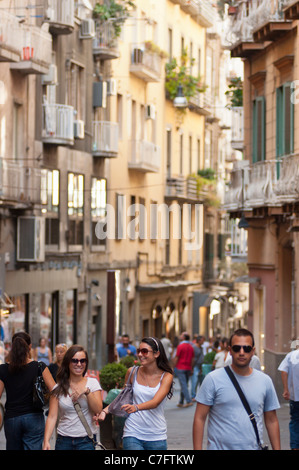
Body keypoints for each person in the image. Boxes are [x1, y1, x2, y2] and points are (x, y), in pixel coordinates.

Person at [193, 328, 281, 450]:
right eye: (236, 348)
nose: (241, 352)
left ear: (253, 351)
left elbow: (271, 420)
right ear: (230, 350)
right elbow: (199, 418)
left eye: (246, 348)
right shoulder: (212, 379)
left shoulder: (265, 381)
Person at [98, 337, 174, 450]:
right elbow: (122, 397)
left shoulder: (166, 376)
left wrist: (136, 407)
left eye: (144, 351)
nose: (140, 354)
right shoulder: (132, 372)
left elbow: (156, 402)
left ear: (156, 354)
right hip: (133, 431)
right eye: (138, 351)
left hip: (156, 434)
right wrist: (105, 410)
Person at [0, 331, 55, 450]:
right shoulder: (39, 366)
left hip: (12, 418)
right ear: (29, 347)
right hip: (34, 417)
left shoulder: (3, 369)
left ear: (13, 347)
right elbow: (55, 390)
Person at [43, 344, 102, 450]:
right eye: (75, 361)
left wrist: (87, 392)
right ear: (68, 363)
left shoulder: (93, 383)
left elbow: (98, 409)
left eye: (82, 361)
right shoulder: (58, 388)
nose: (79, 364)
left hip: (86, 441)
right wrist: (46, 440)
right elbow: (52, 416)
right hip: (63, 441)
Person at [278, 342, 299, 450]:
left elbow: (283, 371)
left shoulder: (290, 356)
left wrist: (286, 389)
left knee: (295, 421)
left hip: (295, 397)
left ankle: (295, 447)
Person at [173, 332, 194, 408]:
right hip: (188, 368)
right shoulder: (191, 347)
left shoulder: (180, 346)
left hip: (180, 367)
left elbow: (177, 357)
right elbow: (192, 359)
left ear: (184, 337)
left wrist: (173, 366)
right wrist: (192, 368)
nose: (180, 336)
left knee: (184, 384)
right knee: (184, 384)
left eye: (181, 335)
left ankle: (188, 401)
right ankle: (181, 401)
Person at [191, 336, 204, 400]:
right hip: (195, 366)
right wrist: (192, 368)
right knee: (195, 381)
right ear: (198, 341)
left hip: (200, 366)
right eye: (202, 340)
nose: (203, 342)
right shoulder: (194, 347)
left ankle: (199, 395)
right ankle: (193, 395)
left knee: (201, 381)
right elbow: (193, 358)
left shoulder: (201, 347)